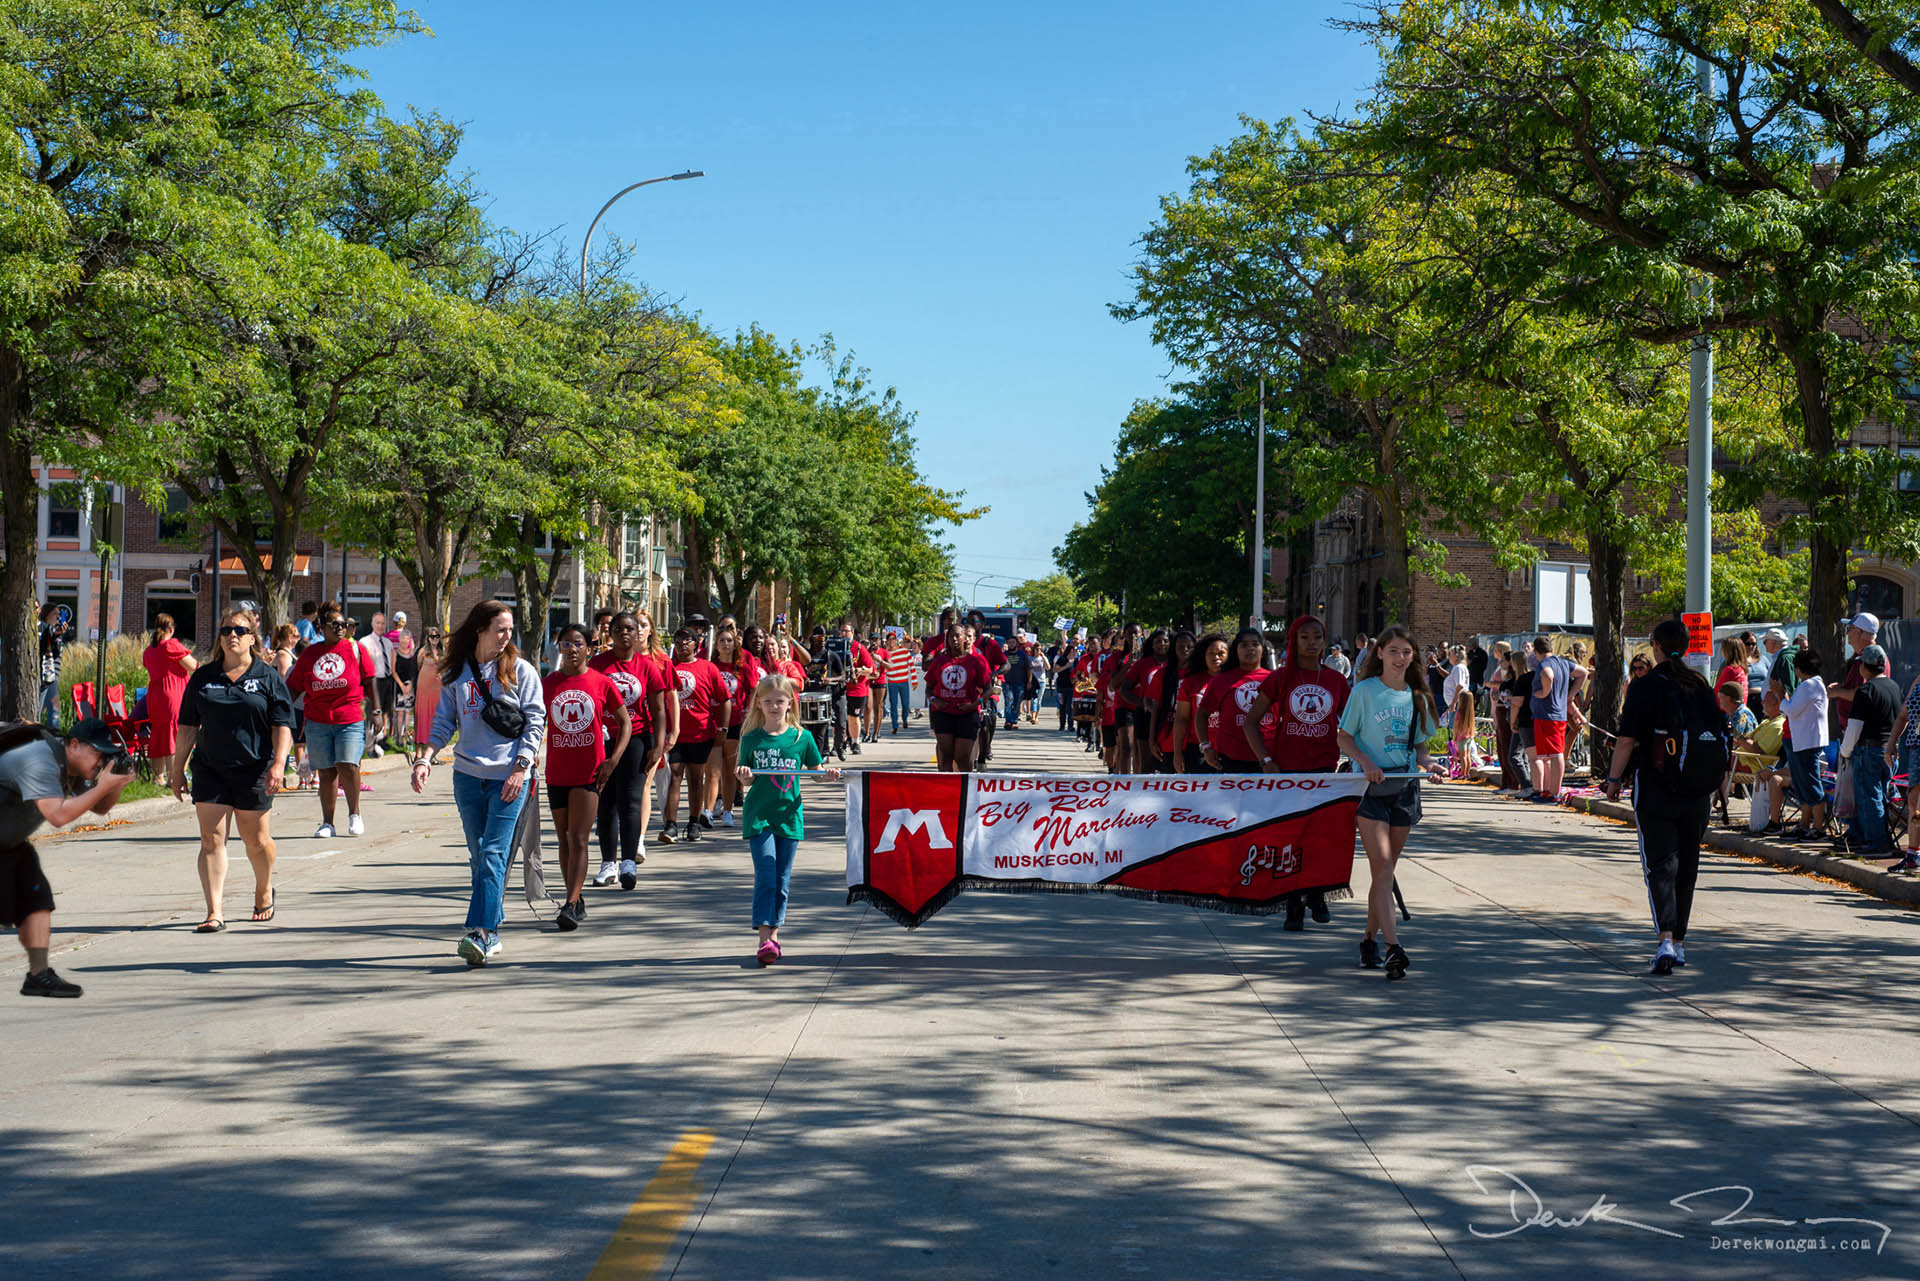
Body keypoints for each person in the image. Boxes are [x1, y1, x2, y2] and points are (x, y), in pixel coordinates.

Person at [412, 599, 546, 967]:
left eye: (510, 630)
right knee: (479, 857)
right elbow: (443, 723)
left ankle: (481, 934)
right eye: (500, 629)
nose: (507, 636)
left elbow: (535, 722)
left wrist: (521, 768)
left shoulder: (520, 671)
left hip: (510, 778)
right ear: (480, 630)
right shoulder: (458, 673)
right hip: (468, 777)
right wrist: (425, 758)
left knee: (492, 854)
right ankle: (493, 928)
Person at [1603, 617, 1729, 974]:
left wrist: (1613, 779)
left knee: (1660, 865)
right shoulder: (1700, 684)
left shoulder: (1645, 686)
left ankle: (1666, 940)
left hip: (1656, 786)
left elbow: (1626, 740)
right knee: (1687, 867)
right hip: (1697, 790)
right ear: (1686, 646)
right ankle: (1681, 943)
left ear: (1657, 646)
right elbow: (1717, 738)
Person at [169, 606, 295, 932]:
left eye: (240, 630)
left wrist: (279, 764)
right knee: (212, 841)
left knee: (256, 841)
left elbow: (282, 725)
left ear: (252, 637)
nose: (233, 636)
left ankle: (264, 889)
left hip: (255, 768)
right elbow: (187, 727)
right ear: (220, 638)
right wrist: (177, 769)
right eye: (226, 631)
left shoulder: (268, 677)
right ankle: (214, 912)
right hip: (210, 769)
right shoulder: (203, 677)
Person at [1337, 625, 1443, 981]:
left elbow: (1421, 747)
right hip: (1369, 790)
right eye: (1393, 650)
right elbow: (1345, 737)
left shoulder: (1418, 697)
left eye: (1406, 652)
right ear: (1379, 653)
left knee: (1385, 873)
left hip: (1404, 787)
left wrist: (1429, 764)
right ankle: (1393, 946)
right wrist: (1365, 762)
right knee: (1381, 865)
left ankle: (1369, 937)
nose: (1400, 658)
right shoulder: (1365, 692)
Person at [4, 718, 138, 997]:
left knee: (37, 898)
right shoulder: (40, 760)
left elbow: (100, 808)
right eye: (98, 753)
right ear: (74, 745)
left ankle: (38, 975)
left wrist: (117, 783)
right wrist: (103, 785)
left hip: (9, 843)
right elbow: (59, 815)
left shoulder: (70, 767)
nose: (101, 761)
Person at [1242, 615, 1348, 929]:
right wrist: (1265, 760)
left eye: (1317, 636)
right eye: (1304, 637)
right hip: (1287, 769)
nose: (1311, 643)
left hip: (1324, 768)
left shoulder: (1336, 681)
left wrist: (1359, 758)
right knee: (1292, 837)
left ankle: (1316, 894)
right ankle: (1293, 906)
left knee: (1320, 836)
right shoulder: (1281, 678)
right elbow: (1251, 722)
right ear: (1294, 640)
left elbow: (1353, 726)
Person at [733, 673, 844, 964]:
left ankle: (775, 936)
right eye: (767, 701)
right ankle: (763, 938)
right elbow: (745, 780)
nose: (773, 706)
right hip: (759, 817)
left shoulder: (801, 738)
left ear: (789, 704)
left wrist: (827, 776)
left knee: (781, 880)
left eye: (779, 701)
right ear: (758, 704)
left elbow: (817, 772)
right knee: (766, 875)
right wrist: (744, 777)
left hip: (789, 817)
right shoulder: (751, 739)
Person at [543, 623, 633, 930]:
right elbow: (533, 721)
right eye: (565, 644)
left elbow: (626, 723)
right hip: (557, 770)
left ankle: (569, 904)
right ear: (559, 648)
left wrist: (613, 760)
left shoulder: (600, 682)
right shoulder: (548, 683)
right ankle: (576, 896)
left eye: (578, 644)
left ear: (588, 648)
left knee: (579, 837)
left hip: (589, 770)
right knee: (564, 838)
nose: (572, 650)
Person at [590, 611, 673, 872]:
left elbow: (659, 709)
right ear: (610, 633)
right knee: (605, 802)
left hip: (638, 738)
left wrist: (658, 745)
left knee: (631, 800)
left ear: (638, 633)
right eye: (619, 629)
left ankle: (628, 861)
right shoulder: (598, 664)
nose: (624, 633)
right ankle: (607, 863)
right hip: (605, 739)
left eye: (629, 629)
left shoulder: (647, 666)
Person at [286, 603, 374, 839]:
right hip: (317, 719)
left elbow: (371, 679)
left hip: (349, 717)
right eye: (334, 624)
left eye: (343, 624)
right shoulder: (310, 655)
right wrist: (280, 713)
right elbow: (293, 687)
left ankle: (355, 814)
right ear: (321, 627)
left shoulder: (355, 650)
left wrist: (376, 710)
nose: (340, 628)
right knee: (326, 772)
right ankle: (328, 823)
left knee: (347, 764)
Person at [661, 627, 731, 843]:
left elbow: (725, 699)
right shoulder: (667, 667)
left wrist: (723, 728)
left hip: (701, 732)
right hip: (675, 734)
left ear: (696, 643)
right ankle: (670, 824)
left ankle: (693, 823)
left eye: (688, 640)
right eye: (679, 639)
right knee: (674, 776)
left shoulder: (708, 668)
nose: (683, 644)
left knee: (696, 779)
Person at [1838, 643, 1900, 856]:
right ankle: (1876, 839)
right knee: (1881, 796)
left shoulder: (1865, 691)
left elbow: (1854, 727)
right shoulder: (1894, 687)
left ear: (1865, 667)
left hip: (1868, 751)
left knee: (1869, 798)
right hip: (1889, 750)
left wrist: (1845, 752)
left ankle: (1877, 843)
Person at [711, 621, 765, 828]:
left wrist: (749, 714)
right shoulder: (711, 664)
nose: (726, 644)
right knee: (712, 769)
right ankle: (709, 807)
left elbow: (753, 690)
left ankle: (728, 808)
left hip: (736, 721)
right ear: (715, 644)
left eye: (729, 641)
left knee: (729, 766)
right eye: (722, 641)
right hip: (713, 721)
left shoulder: (743, 663)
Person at [1198, 628, 1272, 775]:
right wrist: (1206, 747)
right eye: (1244, 645)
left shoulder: (1276, 679)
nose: (1250, 648)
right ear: (1236, 650)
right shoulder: (1221, 680)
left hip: (1270, 760)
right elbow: (1201, 714)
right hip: (1230, 760)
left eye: (1255, 644)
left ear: (1262, 649)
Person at [1779, 649, 1830, 842]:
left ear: (1800, 669)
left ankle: (1818, 829)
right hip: (1804, 741)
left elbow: (1791, 710)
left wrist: (1781, 699)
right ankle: (1804, 825)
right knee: (1802, 785)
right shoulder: (1811, 685)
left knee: (1811, 784)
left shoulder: (1809, 685)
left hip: (1808, 742)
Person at [926, 622, 991, 773]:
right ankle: (946, 789)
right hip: (943, 714)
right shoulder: (939, 662)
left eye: (957, 636)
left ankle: (965, 788)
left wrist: (975, 704)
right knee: (946, 756)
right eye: (950, 637)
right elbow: (929, 688)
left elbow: (988, 689)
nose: (954, 639)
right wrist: (934, 700)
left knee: (962, 757)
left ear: (965, 639)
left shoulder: (976, 662)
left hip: (967, 714)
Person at [141, 613, 198, 767]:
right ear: (171, 629)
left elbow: (148, 666)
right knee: (175, 733)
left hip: (155, 695)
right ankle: (174, 775)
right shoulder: (171, 645)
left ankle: (158, 777)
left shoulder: (149, 650)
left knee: (159, 734)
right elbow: (192, 666)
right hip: (173, 693)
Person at [1169, 634, 1229, 773]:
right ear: (1203, 655)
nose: (1216, 657)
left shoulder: (1236, 680)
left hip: (1229, 750)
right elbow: (1181, 719)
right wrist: (1177, 753)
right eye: (1211, 653)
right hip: (1197, 750)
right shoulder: (1190, 682)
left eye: (1221, 653)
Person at [1734, 684, 1789, 833]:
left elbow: (1760, 750)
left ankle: (1717, 801)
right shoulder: (1767, 721)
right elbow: (1748, 741)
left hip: (1753, 762)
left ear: (1777, 704)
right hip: (1743, 757)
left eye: (1765, 700)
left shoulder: (1778, 725)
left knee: (1717, 762)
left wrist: (1740, 739)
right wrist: (1741, 740)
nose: (1761, 702)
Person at [1528, 637, 1573, 802]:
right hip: (1555, 714)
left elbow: (1547, 674)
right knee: (1547, 755)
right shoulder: (1563, 662)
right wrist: (1570, 695)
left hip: (1548, 715)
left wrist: (1546, 691)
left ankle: (1555, 793)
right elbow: (1582, 673)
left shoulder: (1544, 664)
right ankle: (1548, 790)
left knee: (1555, 754)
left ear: (1535, 650)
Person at [1125, 630, 1173, 773]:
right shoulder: (1142, 664)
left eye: (1165, 641)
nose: (1162, 644)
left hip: (1170, 717)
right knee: (1147, 762)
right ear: (1151, 645)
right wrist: (1143, 703)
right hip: (1145, 717)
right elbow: (1124, 690)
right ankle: (1144, 792)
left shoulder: (1176, 664)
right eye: (1157, 641)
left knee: (1168, 760)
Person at [359, 611, 397, 757]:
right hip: (373, 682)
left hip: (387, 681)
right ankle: (369, 747)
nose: (380, 626)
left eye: (382, 623)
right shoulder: (365, 642)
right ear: (372, 624)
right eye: (378, 623)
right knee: (372, 714)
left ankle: (379, 741)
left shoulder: (387, 643)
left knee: (385, 712)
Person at [836, 622, 876, 754]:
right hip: (840, 687)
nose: (843, 634)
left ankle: (855, 742)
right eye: (841, 631)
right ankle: (840, 743)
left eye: (846, 631)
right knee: (840, 718)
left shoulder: (859, 648)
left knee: (853, 717)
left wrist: (858, 670)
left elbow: (871, 669)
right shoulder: (836, 647)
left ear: (852, 633)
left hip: (857, 689)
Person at [38, 605, 68, 725]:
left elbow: (56, 653)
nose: (58, 617)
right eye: (55, 614)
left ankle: (54, 736)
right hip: (45, 676)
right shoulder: (45, 630)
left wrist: (58, 635)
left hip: (53, 676)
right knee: (48, 711)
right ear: (47, 615)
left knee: (54, 711)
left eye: (59, 614)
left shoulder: (55, 632)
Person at [883, 634, 915, 734]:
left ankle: (904, 719)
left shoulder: (904, 651)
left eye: (893, 639)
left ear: (896, 640)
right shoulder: (886, 653)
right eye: (889, 639)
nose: (891, 641)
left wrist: (914, 680)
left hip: (904, 682)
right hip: (892, 683)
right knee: (893, 705)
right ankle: (895, 725)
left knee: (906, 704)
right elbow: (883, 667)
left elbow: (911, 666)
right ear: (887, 641)